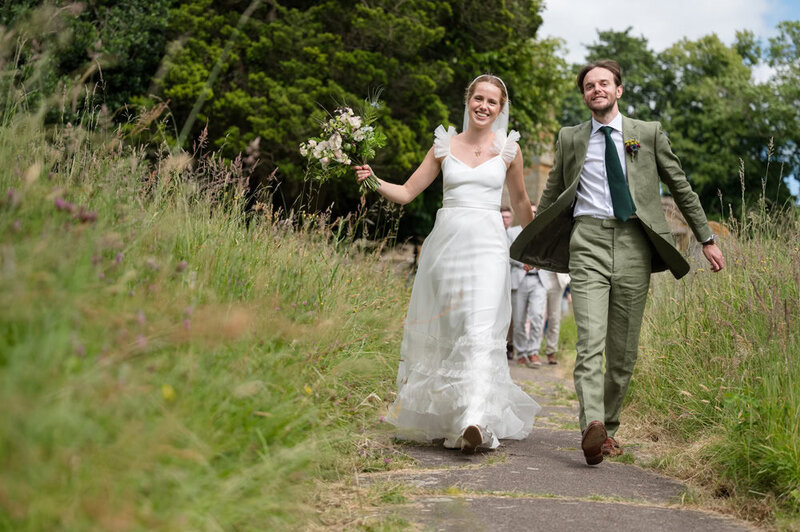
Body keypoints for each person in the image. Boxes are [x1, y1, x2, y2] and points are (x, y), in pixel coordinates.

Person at [509, 60, 725, 465]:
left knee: (623, 353)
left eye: (604, 83)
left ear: (619, 90)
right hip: (587, 240)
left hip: (634, 244)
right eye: (589, 85)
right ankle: (591, 425)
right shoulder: (570, 138)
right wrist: (534, 247)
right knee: (590, 343)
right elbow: (555, 194)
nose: (597, 89)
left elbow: (680, 186)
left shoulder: (648, 133)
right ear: (585, 95)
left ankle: (608, 426)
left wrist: (706, 238)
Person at [354, 75, 540, 453]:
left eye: (492, 101)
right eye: (478, 98)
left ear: (501, 108)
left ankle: (475, 420)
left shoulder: (509, 150)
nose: (484, 106)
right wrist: (373, 180)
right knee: (454, 330)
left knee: (479, 329)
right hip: (447, 250)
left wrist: (537, 244)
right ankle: (453, 414)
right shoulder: (444, 146)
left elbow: (521, 205)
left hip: (488, 248)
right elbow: (407, 193)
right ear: (468, 101)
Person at [507, 203, 546, 368]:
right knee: (519, 319)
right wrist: (526, 260)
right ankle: (521, 352)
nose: (533, 215)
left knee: (537, 316)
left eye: (536, 212)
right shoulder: (512, 232)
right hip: (519, 279)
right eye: (530, 212)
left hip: (539, 279)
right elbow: (507, 254)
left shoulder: (544, 231)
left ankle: (533, 352)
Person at [538, 270, 570, 365]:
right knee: (538, 315)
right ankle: (533, 350)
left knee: (554, 318)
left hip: (557, 279)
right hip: (541, 276)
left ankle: (551, 351)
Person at [501, 206, 515, 360]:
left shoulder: (514, 233)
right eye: (502, 217)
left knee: (510, 313)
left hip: (512, 279)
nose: (504, 220)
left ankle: (509, 344)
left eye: (507, 217)